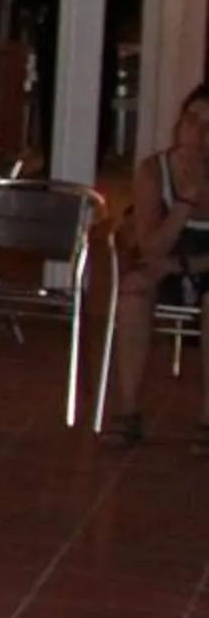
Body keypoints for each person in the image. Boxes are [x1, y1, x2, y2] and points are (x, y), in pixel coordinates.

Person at [102, 85, 209, 450]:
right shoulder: (154, 170)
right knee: (133, 292)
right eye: (192, 121)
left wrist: (183, 264)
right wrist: (184, 203)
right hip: (165, 259)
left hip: (195, 263)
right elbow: (150, 245)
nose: (199, 133)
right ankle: (127, 410)